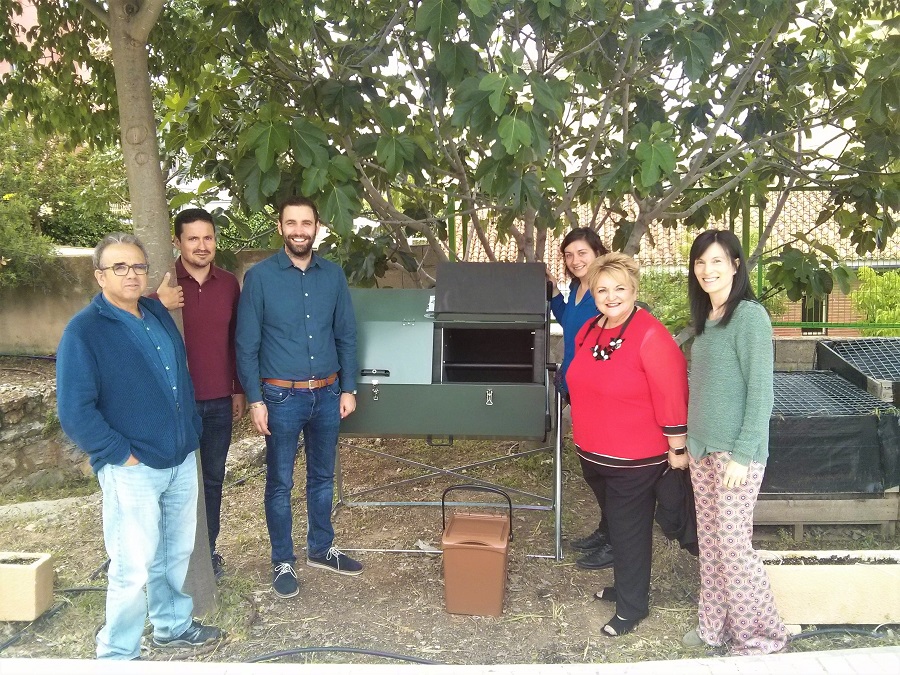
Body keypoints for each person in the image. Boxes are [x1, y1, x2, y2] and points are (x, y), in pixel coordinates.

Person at [56, 233, 222, 660]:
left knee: (175, 552)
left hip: (180, 458)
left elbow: (173, 371)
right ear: (99, 276)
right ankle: (117, 653)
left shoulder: (152, 310)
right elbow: (75, 411)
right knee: (132, 566)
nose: (131, 274)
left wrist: (188, 432)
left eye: (138, 266)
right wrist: (119, 453)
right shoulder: (84, 331)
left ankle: (171, 626)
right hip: (133, 467)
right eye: (119, 268)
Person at [236, 196, 361, 599]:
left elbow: (346, 334)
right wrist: (255, 399)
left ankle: (321, 548)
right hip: (279, 398)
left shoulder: (334, 276)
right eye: (291, 223)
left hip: (327, 395)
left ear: (317, 227)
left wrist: (349, 387)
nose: (299, 230)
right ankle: (283, 560)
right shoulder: (259, 278)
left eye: (306, 223)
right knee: (280, 482)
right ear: (280, 228)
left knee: (323, 477)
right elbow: (246, 343)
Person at [566, 252, 688, 637]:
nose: (611, 296)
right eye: (602, 289)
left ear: (635, 289)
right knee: (619, 529)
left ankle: (631, 607)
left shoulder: (651, 335)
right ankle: (625, 587)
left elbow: (672, 394)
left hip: (635, 460)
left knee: (630, 530)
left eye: (620, 288)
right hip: (593, 453)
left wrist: (678, 447)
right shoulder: (590, 329)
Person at [682, 229, 787, 655]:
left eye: (717, 261)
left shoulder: (750, 317)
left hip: (735, 458)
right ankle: (713, 627)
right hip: (703, 451)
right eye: (700, 262)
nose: (708, 270)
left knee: (733, 546)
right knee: (710, 546)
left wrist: (742, 455)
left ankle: (760, 636)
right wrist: (691, 444)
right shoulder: (705, 319)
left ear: (736, 265)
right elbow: (704, 387)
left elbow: (761, 393)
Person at [154, 208, 245, 580]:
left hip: (220, 401)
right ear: (177, 242)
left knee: (212, 479)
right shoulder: (162, 287)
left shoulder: (228, 284)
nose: (202, 245)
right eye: (193, 238)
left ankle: (207, 553)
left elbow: (236, 341)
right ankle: (168, 558)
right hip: (175, 404)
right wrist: (157, 304)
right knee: (170, 482)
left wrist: (238, 389)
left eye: (208, 237)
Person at [547, 228, 614, 569]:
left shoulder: (605, 292)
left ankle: (617, 539)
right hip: (575, 386)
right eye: (569, 255)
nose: (575, 261)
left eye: (582, 253)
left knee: (604, 466)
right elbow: (569, 321)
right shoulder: (577, 289)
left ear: (598, 252)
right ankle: (607, 530)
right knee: (591, 465)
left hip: (599, 389)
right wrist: (554, 293)